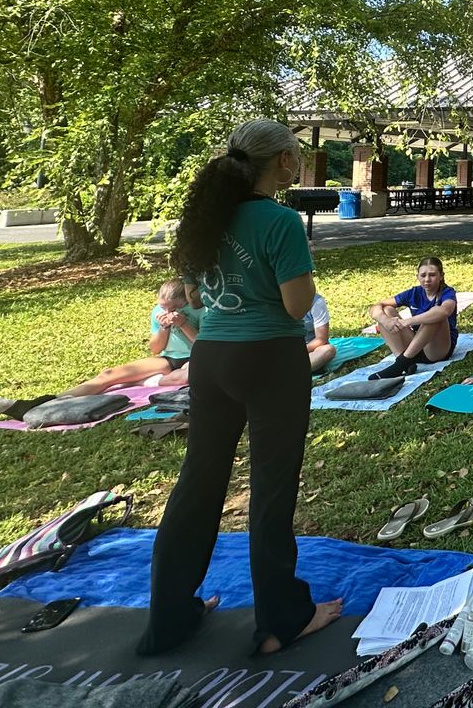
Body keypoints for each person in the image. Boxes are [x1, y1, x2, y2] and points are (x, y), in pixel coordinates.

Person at [139, 120, 340, 657]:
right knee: (271, 490)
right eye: (295, 154)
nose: (298, 161)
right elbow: (298, 308)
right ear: (280, 162)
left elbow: (189, 295)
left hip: (212, 360)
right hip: (270, 360)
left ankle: (169, 615)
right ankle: (281, 620)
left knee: (198, 485)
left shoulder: (205, 218)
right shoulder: (278, 221)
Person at [47, 280, 201, 399]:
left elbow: (203, 345)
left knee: (186, 377)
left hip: (194, 356)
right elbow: (155, 349)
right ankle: (53, 399)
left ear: (184, 302)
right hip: (168, 359)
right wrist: (164, 327)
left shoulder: (199, 311)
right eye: (163, 308)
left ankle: (144, 381)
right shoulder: (158, 312)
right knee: (109, 375)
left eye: (173, 308)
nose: (167, 312)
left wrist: (183, 324)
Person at [368, 257, 458, 379]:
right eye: (423, 275)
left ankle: (400, 364)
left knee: (435, 314)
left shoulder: (447, 292)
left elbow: (445, 311)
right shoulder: (414, 292)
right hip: (416, 345)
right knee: (386, 310)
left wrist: (407, 322)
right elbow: (376, 307)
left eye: (432, 275)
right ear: (418, 277)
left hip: (437, 349)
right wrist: (385, 320)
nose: (427, 279)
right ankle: (403, 361)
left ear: (441, 276)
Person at [302, 294, 338, 374]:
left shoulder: (316, 302)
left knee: (328, 350)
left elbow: (321, 339)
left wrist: (297, 351)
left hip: (310, 349)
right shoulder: (273, 302)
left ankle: (289, 370)